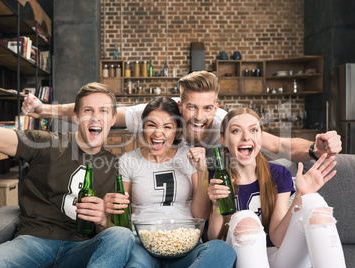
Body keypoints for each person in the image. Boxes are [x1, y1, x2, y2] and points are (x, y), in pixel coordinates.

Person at [0, 83, 135, 267]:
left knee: (122, 236)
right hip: (32, 244)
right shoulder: (46, 143)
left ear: (113, 119)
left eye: (103, 111)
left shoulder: (117, 168)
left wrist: (102, 220)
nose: (95, 117)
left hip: (81, 249)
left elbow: (115, 231)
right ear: (76, 117)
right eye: (88, 110)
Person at [21, 71, 342, 166]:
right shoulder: (160, 115)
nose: (198, 117)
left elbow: (278, 143)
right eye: (191, 107)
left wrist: (315, 149)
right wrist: (41, 110)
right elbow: (98, 111)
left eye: (206, 108)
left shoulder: (223, 121)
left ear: (216, 105)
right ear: (180, 101)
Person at [105, 96, 236, 267]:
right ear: (142, 126)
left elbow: (200, 216)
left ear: (178, 131)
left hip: (185, 243)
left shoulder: (188, 156)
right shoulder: (128, 160)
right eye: (151, 125)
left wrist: (202, 170)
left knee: (222, 250)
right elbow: (122, 212)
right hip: (143, 243)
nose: (158, 133)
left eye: (167, 127)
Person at [206, 107, 345, 268]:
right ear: (224, 139)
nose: (246, 137)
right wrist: (216, 205)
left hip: (278, 256)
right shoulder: (216, 178)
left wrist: (301, 194)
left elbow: (277, 238)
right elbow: (215, 240)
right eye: (236, 131)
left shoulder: (278, 174)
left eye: (253, 130)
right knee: (246, 219)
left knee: (313, 200)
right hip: (240, 256)